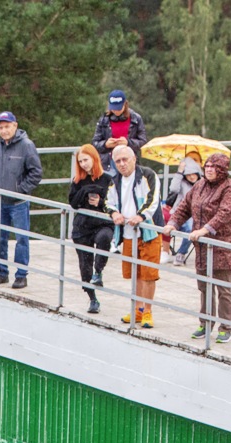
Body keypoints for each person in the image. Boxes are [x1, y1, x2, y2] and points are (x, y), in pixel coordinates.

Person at [163, 153, 231, 344]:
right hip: (202, 247)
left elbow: (224, 214)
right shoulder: (199, 185)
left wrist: (205, 229)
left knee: (223, 288)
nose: (209, 169)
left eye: (214, 167)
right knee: (204, 287)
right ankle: (205, 323)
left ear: (222, 170)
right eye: (207, 166)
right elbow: (184, 207)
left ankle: (225, 327)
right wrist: (173, 222)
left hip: (222, 246)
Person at [0, 111, 42, 290]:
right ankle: (2, 273)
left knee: (21, 240)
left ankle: (21, 275)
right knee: (0, 238)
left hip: (18, 203)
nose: (4, 131)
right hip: (0, 201)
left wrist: (21, 190)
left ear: (15, 126)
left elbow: (36, 173)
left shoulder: (26, 145)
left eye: (7, 127)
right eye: (0, 127)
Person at [106, 146, 160, 328]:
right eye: (118, 161)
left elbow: (153, 199)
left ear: (134, 159)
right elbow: (108, 202)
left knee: (148, 273)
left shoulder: (147, 175)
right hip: (128, 232)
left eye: (125, 159)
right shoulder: (115, 181)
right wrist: (114, 214)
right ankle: (137, 309)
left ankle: (148, 311)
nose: (122, 164)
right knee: (134, 272)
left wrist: (141, 216)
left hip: (148, 231)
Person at [68, 144, 114, 314]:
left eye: (86, 160)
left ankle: (99, 271)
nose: (84, 164)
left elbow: (113, 203)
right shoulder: (77, 180)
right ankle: (93, 298)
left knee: (104, 238)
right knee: (84, 265)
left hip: (102, 223)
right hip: (83, 226)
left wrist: (100, 202)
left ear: (94, 158)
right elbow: (73, 203)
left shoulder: (108, 179)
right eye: (80, 162)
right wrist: (86, 190)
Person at [90, 89, 148, 174]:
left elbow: (143, 142)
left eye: (118, 108)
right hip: (109, 163)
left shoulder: (136, 119)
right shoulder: (104, 120)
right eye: (113, 108)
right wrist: (106, 144)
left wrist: (128, 143)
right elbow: (94, 143)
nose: (116, 111)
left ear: (125, 104)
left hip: (129, 162)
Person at [161, 155, 202, 266]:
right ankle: (165, 251)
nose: (191, 177)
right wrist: (179, 172)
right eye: (188, 174)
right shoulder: (182, 182)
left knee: (191, 229)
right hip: (179, 213)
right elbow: (173, 189)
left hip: (194, 216)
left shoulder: (202, 183)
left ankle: (181, 253)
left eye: (193, 174)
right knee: (168, 223)